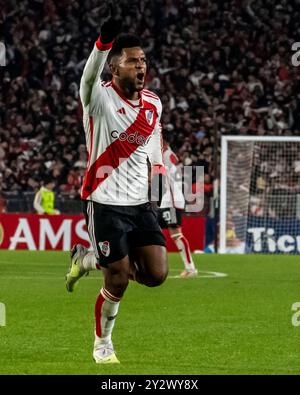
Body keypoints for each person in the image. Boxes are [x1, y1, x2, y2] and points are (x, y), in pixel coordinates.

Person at [65, 6, 168, 364]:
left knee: (156, 274)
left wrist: (158, 191)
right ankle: (102, 344)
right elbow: (86, 79)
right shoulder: (98, 98)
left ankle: (88, 257)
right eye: (131, 61)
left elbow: (154, 149)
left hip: (140, 204)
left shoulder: (154, 103)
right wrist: (102, 43)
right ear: (114, 66)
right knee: (120, 279)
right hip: (103, 201)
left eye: (143, 61)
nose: (141, 67)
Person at [157, 133, 198, 278]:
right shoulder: (162, 154)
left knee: (176, 234)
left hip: (171, 201)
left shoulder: (166, 154)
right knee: (148, 230)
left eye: (159, 138)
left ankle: (190, 268)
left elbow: (163, 174)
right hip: (163, 200)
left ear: (165, 142)